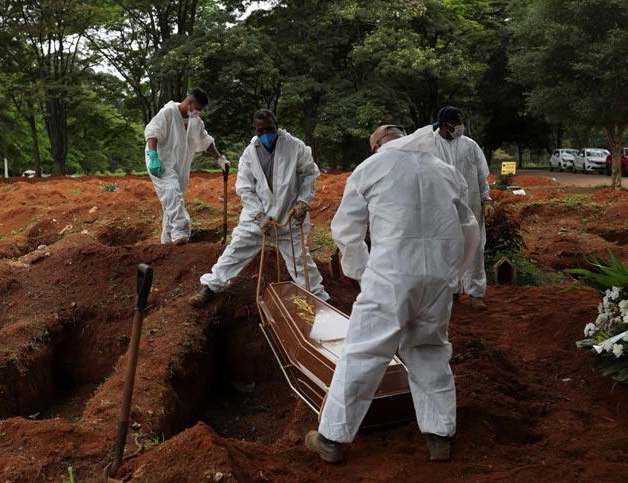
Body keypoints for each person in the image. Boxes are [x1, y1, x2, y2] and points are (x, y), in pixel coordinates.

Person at [304, 125, 480, 463]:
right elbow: (469, 228)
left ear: (376, 146)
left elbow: (346, 229)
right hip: (437, 282)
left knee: (364, 353)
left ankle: (331, 438)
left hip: (391, 277)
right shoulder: (444, 171)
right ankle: (439, 437)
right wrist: (453, 275)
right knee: (429, 351)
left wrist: (361, 272)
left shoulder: (371, 167)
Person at [189, 109, 329, 307]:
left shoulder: (295, 147)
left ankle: (319, 300)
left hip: (289, 217)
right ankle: (211, 287)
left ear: (276, 125)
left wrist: (304, 202)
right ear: (255, 130)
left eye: (269, 129)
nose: (265, 134)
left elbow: (309, 174)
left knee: (300, 261)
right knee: (235, 250)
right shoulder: (249, 153)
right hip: (258, 220)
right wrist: (258, 215)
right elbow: (245, 188)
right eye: (260, 130)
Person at [144, 88, 231, 245]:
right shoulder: (168, 113)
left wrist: (219, 158)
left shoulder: (196, 121)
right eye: (198, 108)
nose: (199, 113)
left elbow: (205, 141)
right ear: (190, 102)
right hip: (161, 161)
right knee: (171, 192)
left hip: (181, 165)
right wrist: (153, 156)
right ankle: (181, 231)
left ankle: (167, 242)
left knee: (173, 200)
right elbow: (152, 132)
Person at [432, 106, 494, 311]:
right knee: (446, 249)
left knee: (475, 249)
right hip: (442, 208)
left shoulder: (470, 145)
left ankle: (476, 294)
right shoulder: (430, 145)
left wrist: (487, 200)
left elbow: (481, 176)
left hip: (471, 205)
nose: (460, 126)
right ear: (444, 125)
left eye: (460, 122)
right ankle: (451, 291)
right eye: (456, 122)